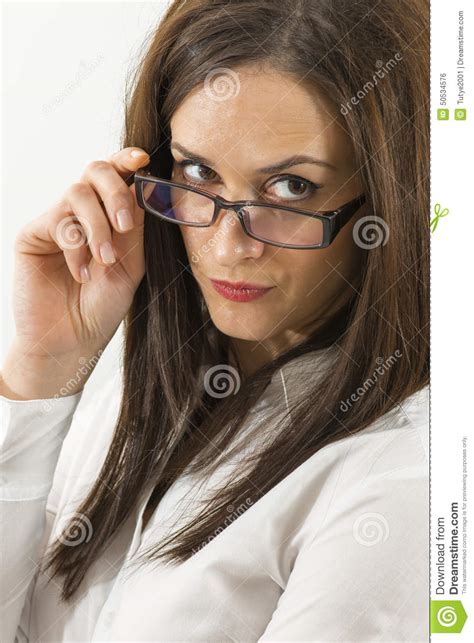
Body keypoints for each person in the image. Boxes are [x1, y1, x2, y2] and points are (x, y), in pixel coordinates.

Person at [0, 0, 429, 640]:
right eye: (199, 172)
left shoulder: (402, 475)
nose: (230, 246)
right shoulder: (129, 387)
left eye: (291, 188)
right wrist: (43, 370)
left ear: (390, 196)